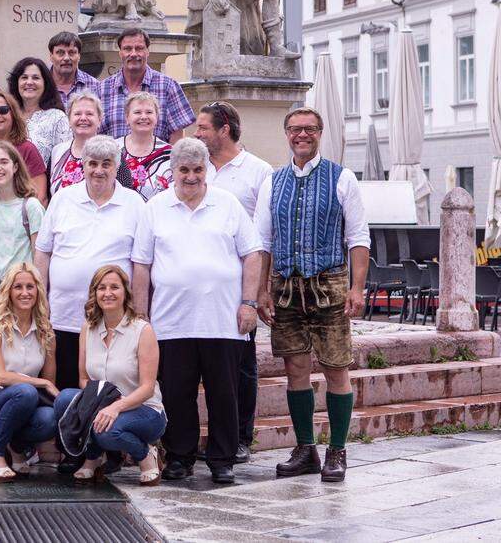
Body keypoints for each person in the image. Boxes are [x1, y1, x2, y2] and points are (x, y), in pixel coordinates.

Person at [131, 137, 262, 484]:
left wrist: (249, 304)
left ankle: (223, 459)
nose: (191, 177)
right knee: (177, 393)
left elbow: (252, 255)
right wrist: (141, 317)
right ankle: (179, 457)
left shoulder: (228, 204)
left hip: (223, 320)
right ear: (172, 171)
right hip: (171, 322)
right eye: (184, 170)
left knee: (224, 393)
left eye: (198, 169)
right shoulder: (154, 208)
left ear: (207, 171)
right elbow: (141, 266)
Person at [255, 107, 370, 483]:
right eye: (294, 129)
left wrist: (356, 287)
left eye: (309, 129)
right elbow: (263, 242)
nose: (301, 135)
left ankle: (337, 450)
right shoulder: (273, 181)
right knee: (294, 369)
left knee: (337, 367)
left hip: (329, 284)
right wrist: (261, 291)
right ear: (286, 134)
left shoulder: (342, 177)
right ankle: (306, 448)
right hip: (286, 287)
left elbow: (358, 237)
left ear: (320, 133)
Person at [195, 100, 272, 463]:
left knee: (241, 364)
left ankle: (240, 436)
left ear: (224, 129)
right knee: (202, 362)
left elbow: (264, 236)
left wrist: (257, 293)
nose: (197, 133)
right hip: (201, 285)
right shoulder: (199, 169)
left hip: (241, 284)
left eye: (203, 128)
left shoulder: (258, 171)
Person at [35, 135, 144, 392]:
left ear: (117, 167)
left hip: (112, 323)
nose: (98, 170)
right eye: (92, 163)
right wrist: (42, 303)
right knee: (64, 393)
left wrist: (138, 311)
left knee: (105, 392)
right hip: (63, 317)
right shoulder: (62, 199)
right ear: (83, 165)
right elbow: (42, 253)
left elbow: (141, 263)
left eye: (106, 164)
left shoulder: (135, 204)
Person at [53, 266, 165, 484]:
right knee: (64, 400)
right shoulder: (88, 328)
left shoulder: (142, 330)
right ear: (95, 293)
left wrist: (114, 407)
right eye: (101, 288)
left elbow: (147, 388)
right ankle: (93, 457)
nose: (108, 293)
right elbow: (84, 378)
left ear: (125, 292)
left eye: (114, 287)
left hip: (144, 410)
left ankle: (146, 455)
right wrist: (99, 403)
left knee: (107, 431)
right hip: (103, 405)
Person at [0, 263, 58, 483]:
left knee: (50, 418)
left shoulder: (46, 331)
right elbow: (1, 377)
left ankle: (17, 448)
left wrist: (45, 385)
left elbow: (49, 385)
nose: (25, 292)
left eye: (30, 286)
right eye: (18, 287)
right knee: (25, 391)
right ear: (9, 291)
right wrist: (41, 383)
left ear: (38, 291)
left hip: (22, 407)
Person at [0, 142, 44, 314]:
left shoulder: (31, 206)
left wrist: (41, 299)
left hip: (23, 290)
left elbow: (40, 257)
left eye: (3, 162)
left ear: (15, 167)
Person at [99, 30, 194, 142]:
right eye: (127, 49)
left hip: (158, 159)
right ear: (120, 53)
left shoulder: (168, 86)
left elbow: (177, 134)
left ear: (147, 51)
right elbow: (96, 133)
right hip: (114, 158)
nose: (133, 54)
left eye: (139, 48)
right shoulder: (103, 89)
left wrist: (170, 159)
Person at [10, 56, 69, 168]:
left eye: (36, 78)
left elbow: (64, 160)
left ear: (45, 83)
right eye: (24, 77)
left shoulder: (57, 118)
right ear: (16, 82)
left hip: (43, 183)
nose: (29, 82)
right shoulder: (7, 116)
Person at [119, 92, 173, 201]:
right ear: (127, 118)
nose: (143, 117)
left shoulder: (170, 154)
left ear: (157, 117)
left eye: (149, 112)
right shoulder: (113, 149)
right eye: (137, 112)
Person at [50, 93, 102, 195]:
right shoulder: (57, 151)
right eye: (77, 114)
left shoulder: (112, 152)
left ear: (99, 120)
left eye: (89, 114)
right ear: (69, 120)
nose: (83, 118)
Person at [47, 31, 103, 107]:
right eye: (60, 53)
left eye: (71, 52)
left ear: (79, 56)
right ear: (51, 56)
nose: (66, 58)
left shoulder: (95, 86)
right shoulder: (42, 84)